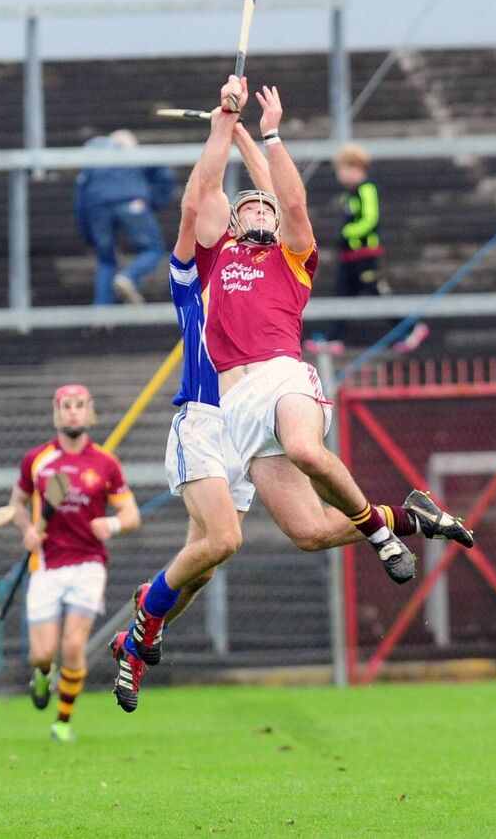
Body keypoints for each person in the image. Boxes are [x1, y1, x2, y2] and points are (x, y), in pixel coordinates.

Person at [110, 108, 472, 712]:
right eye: (246, 206)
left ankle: (378, 536)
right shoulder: (208, 261)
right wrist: (226, 121)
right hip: (218, 411)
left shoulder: (290, 259)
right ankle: (403, 517)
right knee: (274, 540)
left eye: (263, 208)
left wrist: (265, 133)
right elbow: (203, 194)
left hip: (278, 378)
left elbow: (290, 199)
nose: (255, 209)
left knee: (301, 456)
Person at [9, 384, 141, 742]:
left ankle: (62, 721)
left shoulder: (105, 463)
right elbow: (17, 504)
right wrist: (28, 530)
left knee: (72, 646)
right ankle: (41, 676)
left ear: (89, 411)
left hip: (88, 563)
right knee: (42, 653)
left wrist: (111, 524)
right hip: (46, 565)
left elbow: (131, 513)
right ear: (56, 412)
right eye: (66, 406)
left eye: (79, 405)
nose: (73, 412)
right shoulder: (37, 460)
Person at [304, 143, 428, 355]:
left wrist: (348, 233)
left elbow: (370, 219)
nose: (340, 175)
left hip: (365, 255)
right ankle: (332, 336)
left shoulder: (366, 189)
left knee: (376, 293)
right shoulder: (350, 194)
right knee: (342, 294)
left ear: (356, 167)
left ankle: (410, 328)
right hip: (350, 256)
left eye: (342, 170)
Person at [73, 129, 175, 306]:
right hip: (133, 203)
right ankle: (129, 276)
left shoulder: (90, 161)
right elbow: (166, 175)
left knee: (106, 259)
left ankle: (101, 313)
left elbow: (80, 201)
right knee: (153, 249)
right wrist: (155, 201)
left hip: (97, 208)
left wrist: (88, 237)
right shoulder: (131, 151)